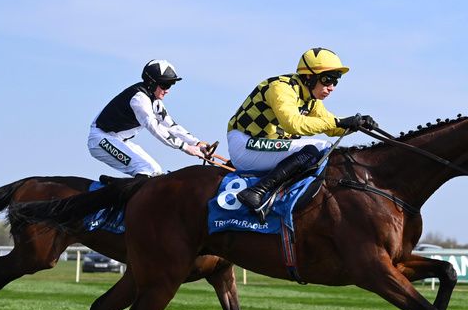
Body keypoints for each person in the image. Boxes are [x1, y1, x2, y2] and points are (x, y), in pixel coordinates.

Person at [226, 47, 377, 210]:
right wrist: (339, 123)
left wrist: (356, 124)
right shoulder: (281, 88)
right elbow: (293, 124)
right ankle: (256, 191)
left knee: (323, 148)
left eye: (336, 81)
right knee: (319, 147)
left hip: (264, 146)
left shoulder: (311, 99)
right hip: (245, 144)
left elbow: (331, 126)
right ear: (309, 77)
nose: (332, 87)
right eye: (327, 79)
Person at [88, 59, 210, 177]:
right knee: (146, 169)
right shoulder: (139, 99)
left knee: (156, 171)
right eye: (165, 85)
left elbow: (171, 126)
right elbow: (155, 128)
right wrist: (185, 147)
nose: (167, 90)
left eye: (170, 85)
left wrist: (196, 142)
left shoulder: (155, 102)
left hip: (117, 139)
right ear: (151, 82)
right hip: (101, 140)